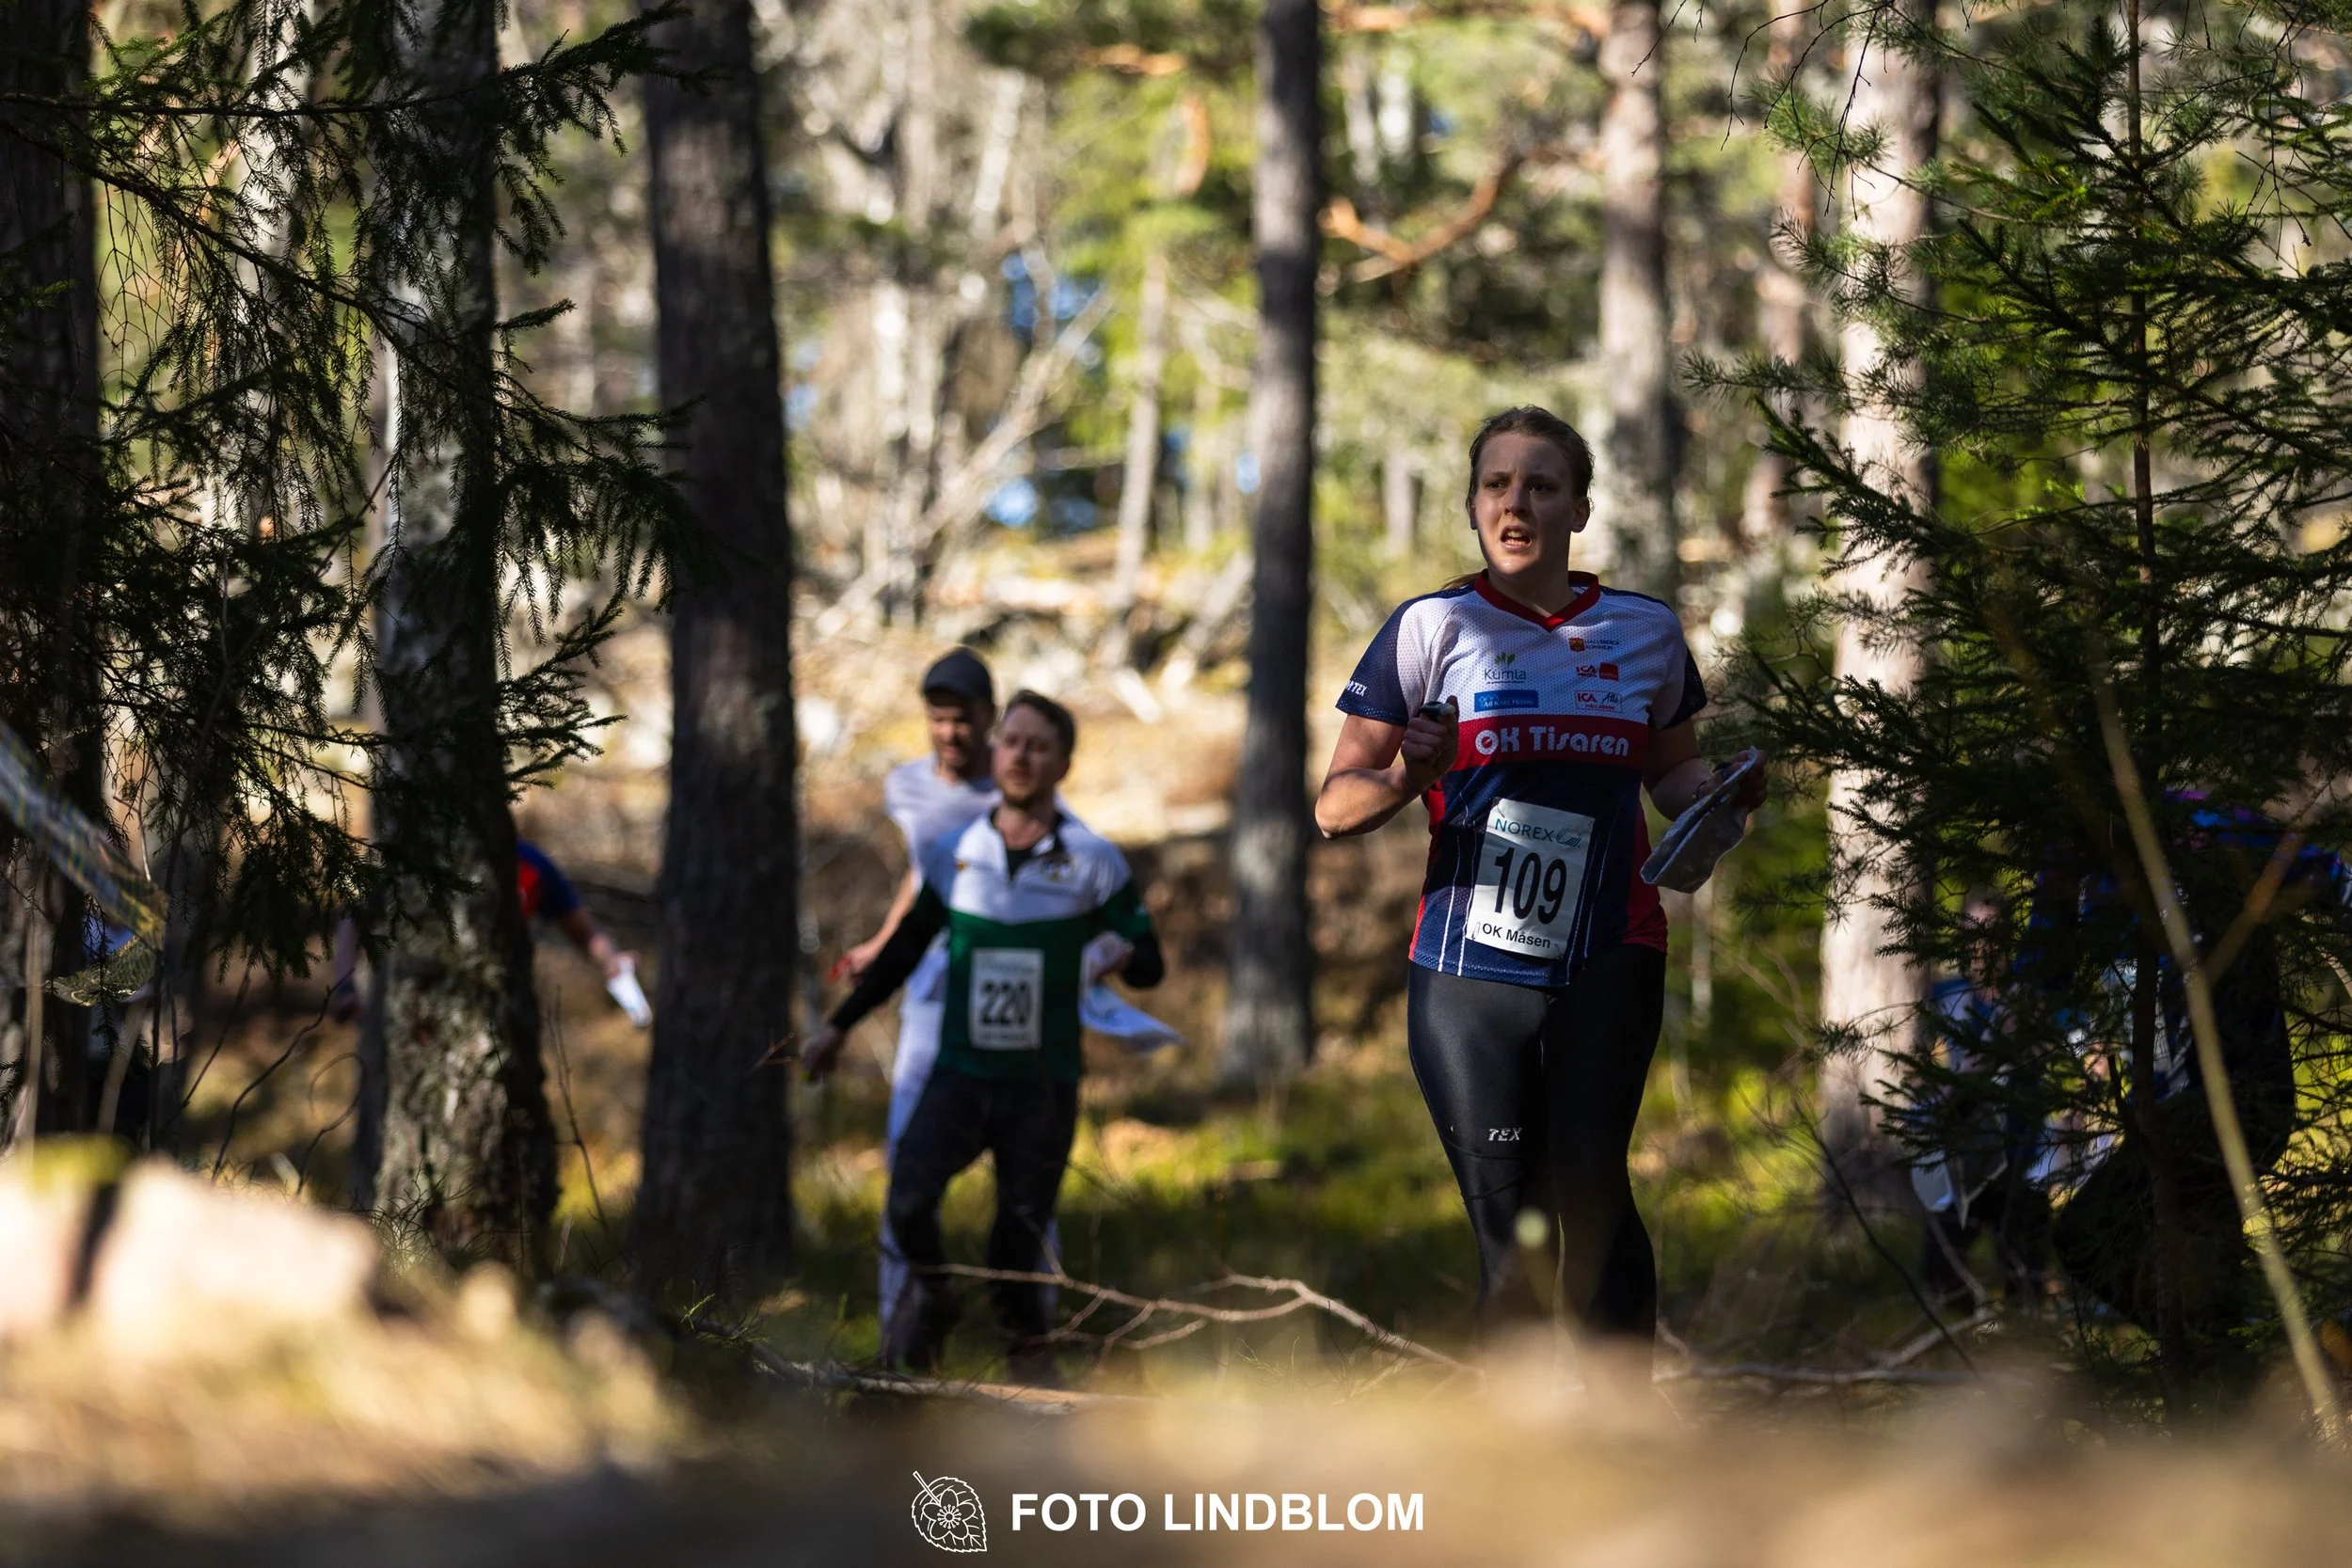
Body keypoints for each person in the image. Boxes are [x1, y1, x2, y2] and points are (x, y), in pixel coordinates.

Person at [1313, 405, 1766, 1356]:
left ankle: (1621, 1441)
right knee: (1512, 1231)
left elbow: (1672, 774)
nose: (1515, 500)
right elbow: (1334, 806)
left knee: (1594, 1187)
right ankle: (1514, 1461)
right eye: (1496, 482)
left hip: (1611, 949)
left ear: (1579, 509)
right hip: (1469, 970)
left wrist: (1720, 789)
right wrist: (1407, 776)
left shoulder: (1642, 630)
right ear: (1474, 505)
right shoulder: (1430, 626)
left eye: (1541, 484)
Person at [800, 690, 1164, 1381]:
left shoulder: (1091, 859)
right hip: (960, 1076)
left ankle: (1030, 1379)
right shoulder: (955, 851)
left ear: (1063, 763)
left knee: (1016, 1243)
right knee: (907, 1200)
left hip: (1043, 1085)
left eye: (1039, 746)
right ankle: (935, 1295)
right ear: (995, 753)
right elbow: (905, 947)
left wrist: (1120, 951)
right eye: (1012, 741)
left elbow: (1151, 961)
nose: (1021, 756)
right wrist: (838, 1028)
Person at [839, 647, 1001, 1328]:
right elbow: (922, 876)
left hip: (1001, 988)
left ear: (988, 717)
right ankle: (900, 1323)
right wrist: (880, 946)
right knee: (905, 1146)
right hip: (930, 983)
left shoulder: (1018, 780)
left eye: (963, 719)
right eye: (938, 718)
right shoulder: (907, 786)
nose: (950, 733)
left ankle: (1031, 1331)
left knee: (1019, 1155)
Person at [326, 840, 638, 1023]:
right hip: (413, 1021)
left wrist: (612, 962)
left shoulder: (531, 865)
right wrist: (344, 987)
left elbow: (582, 929)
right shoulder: (424, 854)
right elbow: (355, 917)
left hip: (502, 1017)